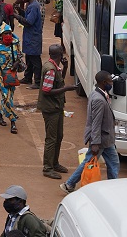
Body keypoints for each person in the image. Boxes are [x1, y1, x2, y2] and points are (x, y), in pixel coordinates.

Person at [61, 70, 120, 193]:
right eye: (110, 82)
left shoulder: (98, 93)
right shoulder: (99, 99)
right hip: (101, 139)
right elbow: (96, 123)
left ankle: (113, 186)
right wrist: (95, 143)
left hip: (106, 139)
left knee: (113, 163)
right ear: (104, 83)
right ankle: (69, 184)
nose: (111, 84)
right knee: (89, 162)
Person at [38, 44, 76, 179]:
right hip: (51, 108)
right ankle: (48, 168)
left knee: (58, 136)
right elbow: (47, 90)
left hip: (57, 107)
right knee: (51, 138)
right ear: (59, 54)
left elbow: (58, 82)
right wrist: (66, 89)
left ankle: (54, 163)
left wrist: (65, 67)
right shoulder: (50, 70)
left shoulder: (55, 67)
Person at [0, 24, 22, 134]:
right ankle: (13, 121)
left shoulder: (15, 43)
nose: (8, 35)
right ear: (1, 35)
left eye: (10, 33)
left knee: (9, 97)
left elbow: (19, 56)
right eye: (6, 33)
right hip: (0, 75)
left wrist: (16, 64)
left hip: (12, 75)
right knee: (6, 97)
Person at [15, 0, 43, 89]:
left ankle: (37, 81)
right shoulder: (30, 5)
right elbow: (27, 16)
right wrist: (20, 11)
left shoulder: (34, 6)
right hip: (29, 36)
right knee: (29, 57)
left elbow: (29, 21)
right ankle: (27, 77)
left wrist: (17, 16)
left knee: (35, 59)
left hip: (33, 37)